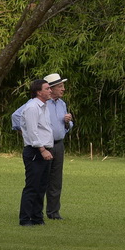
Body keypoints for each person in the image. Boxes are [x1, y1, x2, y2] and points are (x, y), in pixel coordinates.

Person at [19, 78, 55, 226]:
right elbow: (32, 131)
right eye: (47, 89)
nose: (50, 91)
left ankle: (37, 217)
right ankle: (25, 218)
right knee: (32, 186)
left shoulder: (44, 107)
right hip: (35, 151)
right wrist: (42, 149)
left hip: (45, 150)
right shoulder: (32, 107)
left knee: (41, 186)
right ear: (39, 92)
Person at [44, 73, 73, 220]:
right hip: (43, 146)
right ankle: (34, 212)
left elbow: (66, 126)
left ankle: (53, 213)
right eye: (60, 86)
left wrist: (67, 121)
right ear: (51, 88)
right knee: (40, 179)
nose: (63, 89)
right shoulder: (40, 103)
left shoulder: (62, 104)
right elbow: (17, 117)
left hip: (58, 145)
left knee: (56, 181)